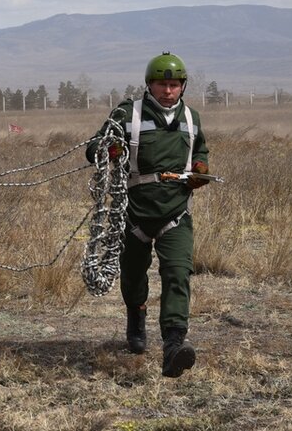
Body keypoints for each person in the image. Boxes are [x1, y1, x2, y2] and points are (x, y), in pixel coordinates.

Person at [87, 52, 211, 378]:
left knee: (178, 273)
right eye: (162, 84)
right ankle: (136, 316)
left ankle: (173, 344)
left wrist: (200, 169)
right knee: (132, 275)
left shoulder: (192, 117)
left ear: (182, 86)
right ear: (150, 84)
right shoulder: (127, 114)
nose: (168, 90)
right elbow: (94, 147)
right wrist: (110, 149)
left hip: (176, 213)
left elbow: (200, 151)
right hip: (134, 213)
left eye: (174, 84)